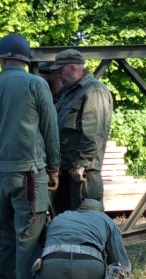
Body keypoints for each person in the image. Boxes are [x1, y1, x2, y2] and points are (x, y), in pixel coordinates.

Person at [0, 34, 61, 279]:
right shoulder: (36, 84)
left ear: (1, 59)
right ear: (25, 60)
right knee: (28, 234)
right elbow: (50, 129)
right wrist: (54, 168)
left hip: (0, 172)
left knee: (2, 229)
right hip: (29, 171)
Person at [46, 49, 113, 212]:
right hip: (66, 174)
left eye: (60, 70)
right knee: (66, 227)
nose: (58, 75)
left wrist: (81, 164)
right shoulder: (69, 93)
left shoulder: (94, 90)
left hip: (83, 177)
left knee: (84, 228)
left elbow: (95, 132)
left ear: (73, 67)